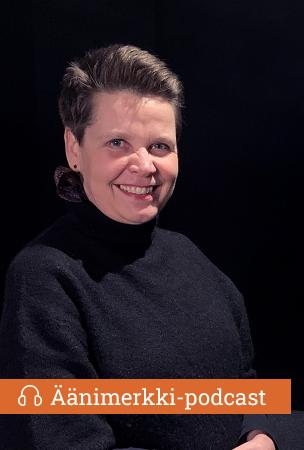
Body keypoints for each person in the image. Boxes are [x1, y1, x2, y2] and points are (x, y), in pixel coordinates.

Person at [0, 44, 278, 450]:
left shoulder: (190, 258)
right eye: (117, 143)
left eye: (159, 146)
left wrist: (262, 436)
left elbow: (245, 387)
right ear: (74, 148)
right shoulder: (44, 277)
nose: (145, 165)